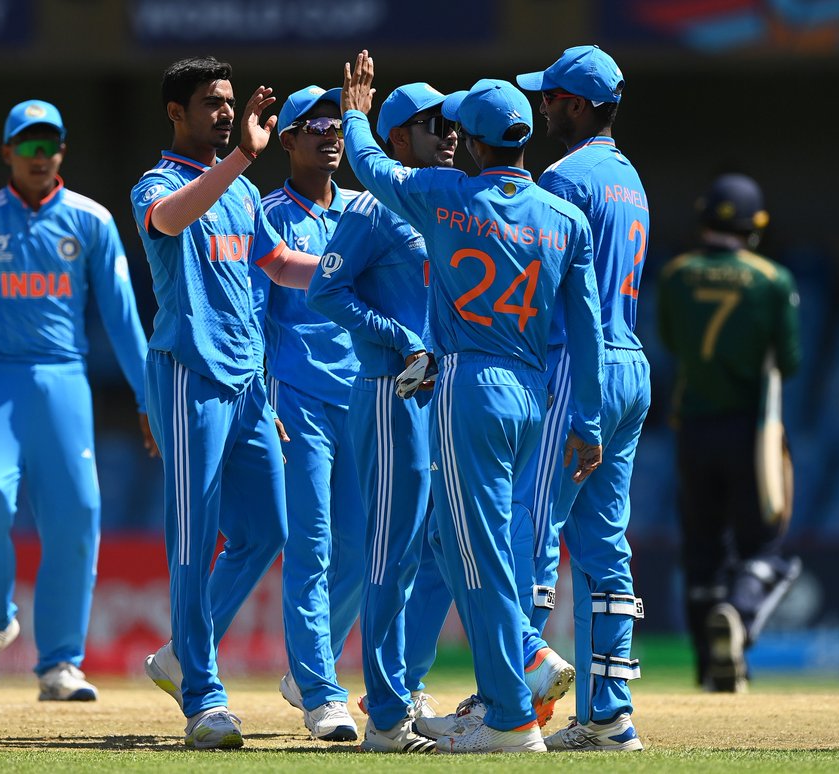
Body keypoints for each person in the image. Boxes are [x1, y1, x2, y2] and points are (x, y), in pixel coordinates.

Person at [340, 51, 605, 754]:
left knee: (472, 554)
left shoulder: (445, 194)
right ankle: (506, 693)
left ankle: (510, 716)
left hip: (469, 387)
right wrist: (589, 417)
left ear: (481, 144)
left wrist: (358, 117)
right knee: (472, 551)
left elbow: (369, 169)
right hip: (533, 395)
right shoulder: (563, 217)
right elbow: (588, 328)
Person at [129, 56, 327, 750]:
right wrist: (243, 154)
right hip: (189, 376)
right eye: (211, 102)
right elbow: (171, 219)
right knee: (193, 537)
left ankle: (183, 652)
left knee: (269, 529)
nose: (224, 110)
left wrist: (347, 270)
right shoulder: (160, 183)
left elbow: (275, 267)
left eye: (230, 101)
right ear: (176, 113)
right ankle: (203, 698)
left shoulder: (242, 194)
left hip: (248, 382)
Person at [0, 99, 153, 702]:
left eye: (49, 144)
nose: (39, 155)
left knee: (77, 514)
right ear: (6, 152)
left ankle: (60, 663)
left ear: (62, 151)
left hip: (64, 383)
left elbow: (124, 320)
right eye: (27, 145)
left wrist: (148, 399)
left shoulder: (92, 221)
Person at [305, 81, 458, 754]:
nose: (448, 134)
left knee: (429, 553)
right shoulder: (371, 208)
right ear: (397, 139)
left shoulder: (447, 203)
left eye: (451, 123)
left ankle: (398, 692)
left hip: (437, 396)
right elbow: (324, 289)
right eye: (432, 124)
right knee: (390, 553)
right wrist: (401, 340)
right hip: (390, 393)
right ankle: (387, 717)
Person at [510, 44, 649, 751]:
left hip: (577, 362)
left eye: (553, 97)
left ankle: (512, 702)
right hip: (632, 363)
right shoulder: (630, 179)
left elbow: (547, 290)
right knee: (603, 543)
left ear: (581, 105)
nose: (543, 107)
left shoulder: (563, 178)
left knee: (534, 528)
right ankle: (607, 714)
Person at [657, 172, 802, 693]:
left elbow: (672, 341)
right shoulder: (771, 280)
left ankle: (710, 671)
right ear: (754, 226)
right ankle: (737, 615)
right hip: (750, 430)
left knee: (701, 551)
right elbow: (789, 361)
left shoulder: (676, 274)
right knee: (764, 550)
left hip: (692, 428)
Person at [250, 85, 363, 743]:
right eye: (312, 124)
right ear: (286, 140)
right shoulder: (267, 215)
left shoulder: (365, 212)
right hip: (298, 402)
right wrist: (264, 402)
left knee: (358, 547)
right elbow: (254, 318)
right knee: (312, 546)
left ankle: (304, 669)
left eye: (337, 122)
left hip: (363, 400)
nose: (329, 133)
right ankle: (322, 691)